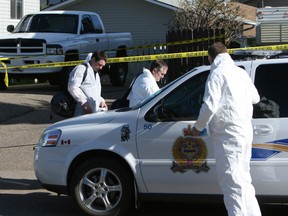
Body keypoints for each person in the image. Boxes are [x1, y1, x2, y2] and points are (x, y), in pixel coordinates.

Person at [191, 42, 262, 216]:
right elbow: (255, 98)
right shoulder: (241, 72)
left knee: (231, 184)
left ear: (210, 58)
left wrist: (197, 127)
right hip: (245, 132)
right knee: (244, 181)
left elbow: (209, 106)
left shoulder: (217, 74)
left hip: (227, 136)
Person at [68, 51, 108, 116]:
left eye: (102, 66)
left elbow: (92, 91)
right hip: (80, 112)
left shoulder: (95, 73)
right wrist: (84, 104)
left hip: (93, 113)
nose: (101, 68)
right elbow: (72, 87)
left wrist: (101, 101)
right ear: (93, 59)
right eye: (99, 65)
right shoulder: (81, 69)